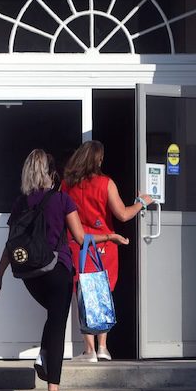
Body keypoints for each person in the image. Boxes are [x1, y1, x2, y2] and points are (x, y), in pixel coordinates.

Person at [0, 150, 127, 391]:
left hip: (30, 275)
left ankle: (44, 356)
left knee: (53, 318)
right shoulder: (61, 199)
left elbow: (11, 245)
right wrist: (110, 237)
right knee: (56, 325)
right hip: (57, 270)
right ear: (50, 172)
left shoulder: (20, 203)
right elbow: (80, 237)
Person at [61, 140, 153, 362]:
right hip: (104, 246)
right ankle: (103, 347)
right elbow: (122, 214)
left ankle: (89, 350)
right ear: (98, 160)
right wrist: (142, 202)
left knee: (83, 294)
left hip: (78, 245)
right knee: (102, 293)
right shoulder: (106, 183)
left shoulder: (66, 185)